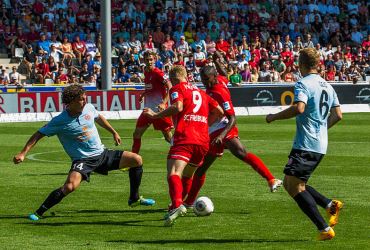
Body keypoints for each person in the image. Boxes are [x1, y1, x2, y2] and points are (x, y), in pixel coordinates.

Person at [13, 85, 155, 221]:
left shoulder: (88, 107)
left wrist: (113, 132)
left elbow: (98, 117)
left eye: (84, 97)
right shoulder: (59, 121)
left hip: (102, 154)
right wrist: (23, 153)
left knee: (136, 159)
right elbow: (38, 134)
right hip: (83, 161)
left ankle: (134, 199)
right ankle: (39, 212)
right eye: (81, 99)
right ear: (70, 103)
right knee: (70, 186)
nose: (85, 100)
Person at [265, 48, 343, 241]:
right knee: (295, 182)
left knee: (293, 186)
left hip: (306, 143)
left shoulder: (303, 83)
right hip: (320, 144)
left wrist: (274, 116)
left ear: (301, 65)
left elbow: (299, 108)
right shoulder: (328, 86)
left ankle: (324, 229)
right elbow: (338, 115)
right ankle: (329, 204)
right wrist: (322, 130)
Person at [181, 65, 283, 209]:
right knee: (201, 169)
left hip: (223, 127)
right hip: (212, 130)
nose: (204, 82)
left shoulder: (220, 92)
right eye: (203, 79)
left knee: (240, 152)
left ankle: (271, 179)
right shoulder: (220, 80)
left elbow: (232, 118)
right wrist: (217, 60)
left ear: (213, 77)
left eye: (207, 79)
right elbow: (224, 73)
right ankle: (189, 202)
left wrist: (222, 135)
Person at [143, 65, 223, 226]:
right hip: (202, 140)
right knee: (188, 175)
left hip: (185, 137)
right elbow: (219, 111)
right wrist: (204, 125)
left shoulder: (177, 88)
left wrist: (155, 115)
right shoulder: (200, 92)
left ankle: (177, 204)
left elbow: (177, 107)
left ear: (173, 79)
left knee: (173, 172)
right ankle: (177, 204)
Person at [131, 51, 173, 154]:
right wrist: (144, 94)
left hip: (159, 111)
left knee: (168, 137)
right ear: (144, 60)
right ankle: (132, 161)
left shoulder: (158, 73)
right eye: (147, 59)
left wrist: (164, 103)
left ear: (155, 60)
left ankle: (183, 154)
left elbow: (170, 87)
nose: (149, 61)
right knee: (136, 134)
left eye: (151, 59)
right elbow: (151, 87)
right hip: (147, 109)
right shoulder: (146, 72)